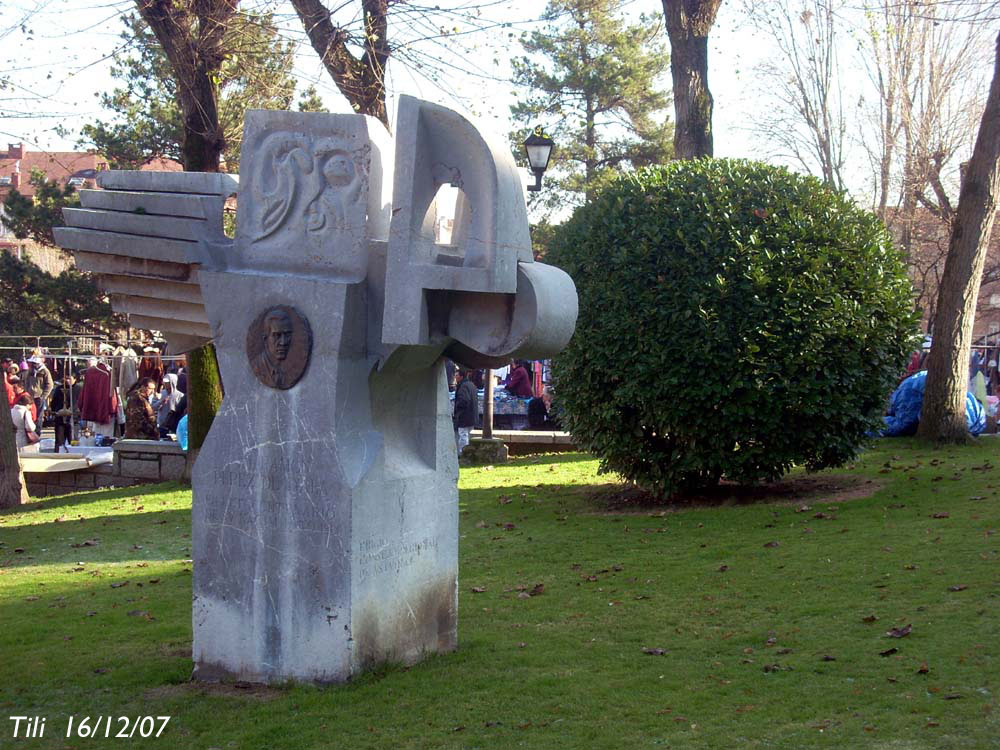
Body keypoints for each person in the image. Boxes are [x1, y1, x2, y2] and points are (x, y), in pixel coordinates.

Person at [50, 373, 83, 452]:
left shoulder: (79, 389)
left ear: (75, 379)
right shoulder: (59, 389)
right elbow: (54, 402)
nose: (67, 381)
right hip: (60, 418)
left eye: (70, 379)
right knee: (59, 441)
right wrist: (56, 411)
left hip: (74, 418)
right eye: (66, 379)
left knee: (73, 440)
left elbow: (82, 402)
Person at [453, 368, 478, 454]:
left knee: (463, 435)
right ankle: (468, 452)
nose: (455, 377)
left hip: (464, 415)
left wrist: (457, 409)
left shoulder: (463, 386)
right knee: (467, 434)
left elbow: (464, 401)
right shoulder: (471, 384)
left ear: (461, 376)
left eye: (456, 375)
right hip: (471, 415)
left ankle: (463, 453)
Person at [23, 355, 54, 425]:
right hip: (30, 396)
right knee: (29, 414)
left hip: (39, 396)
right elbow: (26, 381)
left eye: (34, 362)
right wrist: (26, 391)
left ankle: (37, 431)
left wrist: (43, 396)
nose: (33, 364)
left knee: (39, 416)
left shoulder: (45, 371)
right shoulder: (30, 370)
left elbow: (50, 385)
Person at [152, 373, 184, 438]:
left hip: (174, 425)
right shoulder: (162, 393)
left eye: (167, 382)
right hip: (161, 424)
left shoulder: (180, 395)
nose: (165, 384)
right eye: (164, 382)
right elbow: (153, 407)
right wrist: (161, 402)